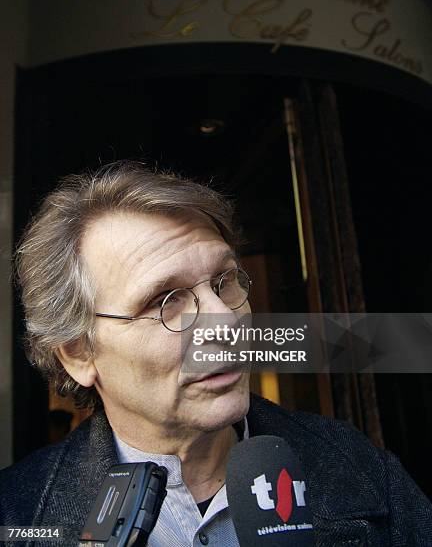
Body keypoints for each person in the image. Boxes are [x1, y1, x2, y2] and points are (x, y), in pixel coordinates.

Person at [0, 161, 431, 546]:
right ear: (79, 354)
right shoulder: (17, 514)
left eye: (225, 281)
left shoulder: (362, 469)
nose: (226, 322)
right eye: (165, 300)